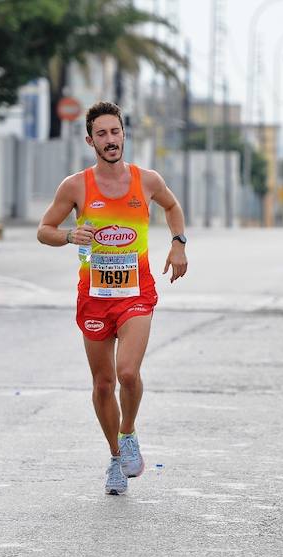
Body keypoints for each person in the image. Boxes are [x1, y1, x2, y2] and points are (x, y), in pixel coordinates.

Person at [37, 101, 188, 496]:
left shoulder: (147, 180)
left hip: (136, 293)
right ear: (90, 140)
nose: (110, 140)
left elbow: (172, 207)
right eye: (101, 134)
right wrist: (70, 235)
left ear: (124, 135)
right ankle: (116, 456)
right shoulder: (75, 186)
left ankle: (129, 432)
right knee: (103, 384)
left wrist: (178, 245)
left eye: (115, 132)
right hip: (95, 295)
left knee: (127, 374)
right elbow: (44, 229)